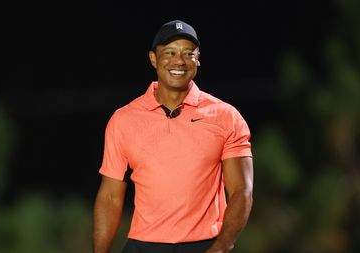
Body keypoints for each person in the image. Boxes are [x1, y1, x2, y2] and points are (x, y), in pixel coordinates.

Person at [93, 19, 254, 253]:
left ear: (198, 59)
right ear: (153, 58)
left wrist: (221, 247)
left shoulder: (226, 117)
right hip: (143, 246)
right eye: (170, 52)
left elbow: (242, 191)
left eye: (189, 53)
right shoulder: (123, 120)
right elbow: (109, 197)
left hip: (205, 245)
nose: (179, 60)